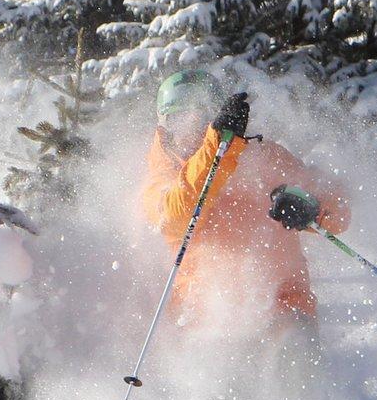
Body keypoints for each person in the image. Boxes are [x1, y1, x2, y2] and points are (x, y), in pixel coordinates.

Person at [139, 70, 348, 340]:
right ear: (164, 127)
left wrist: (312, 209)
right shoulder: (160, 178)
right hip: (204, 323)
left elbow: (338, 211)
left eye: (202, 117)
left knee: (292, 355)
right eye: (178, 119)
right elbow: (178, 213)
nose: (192, 130)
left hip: (282, 309)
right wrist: (218, 149)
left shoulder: (262, 159)